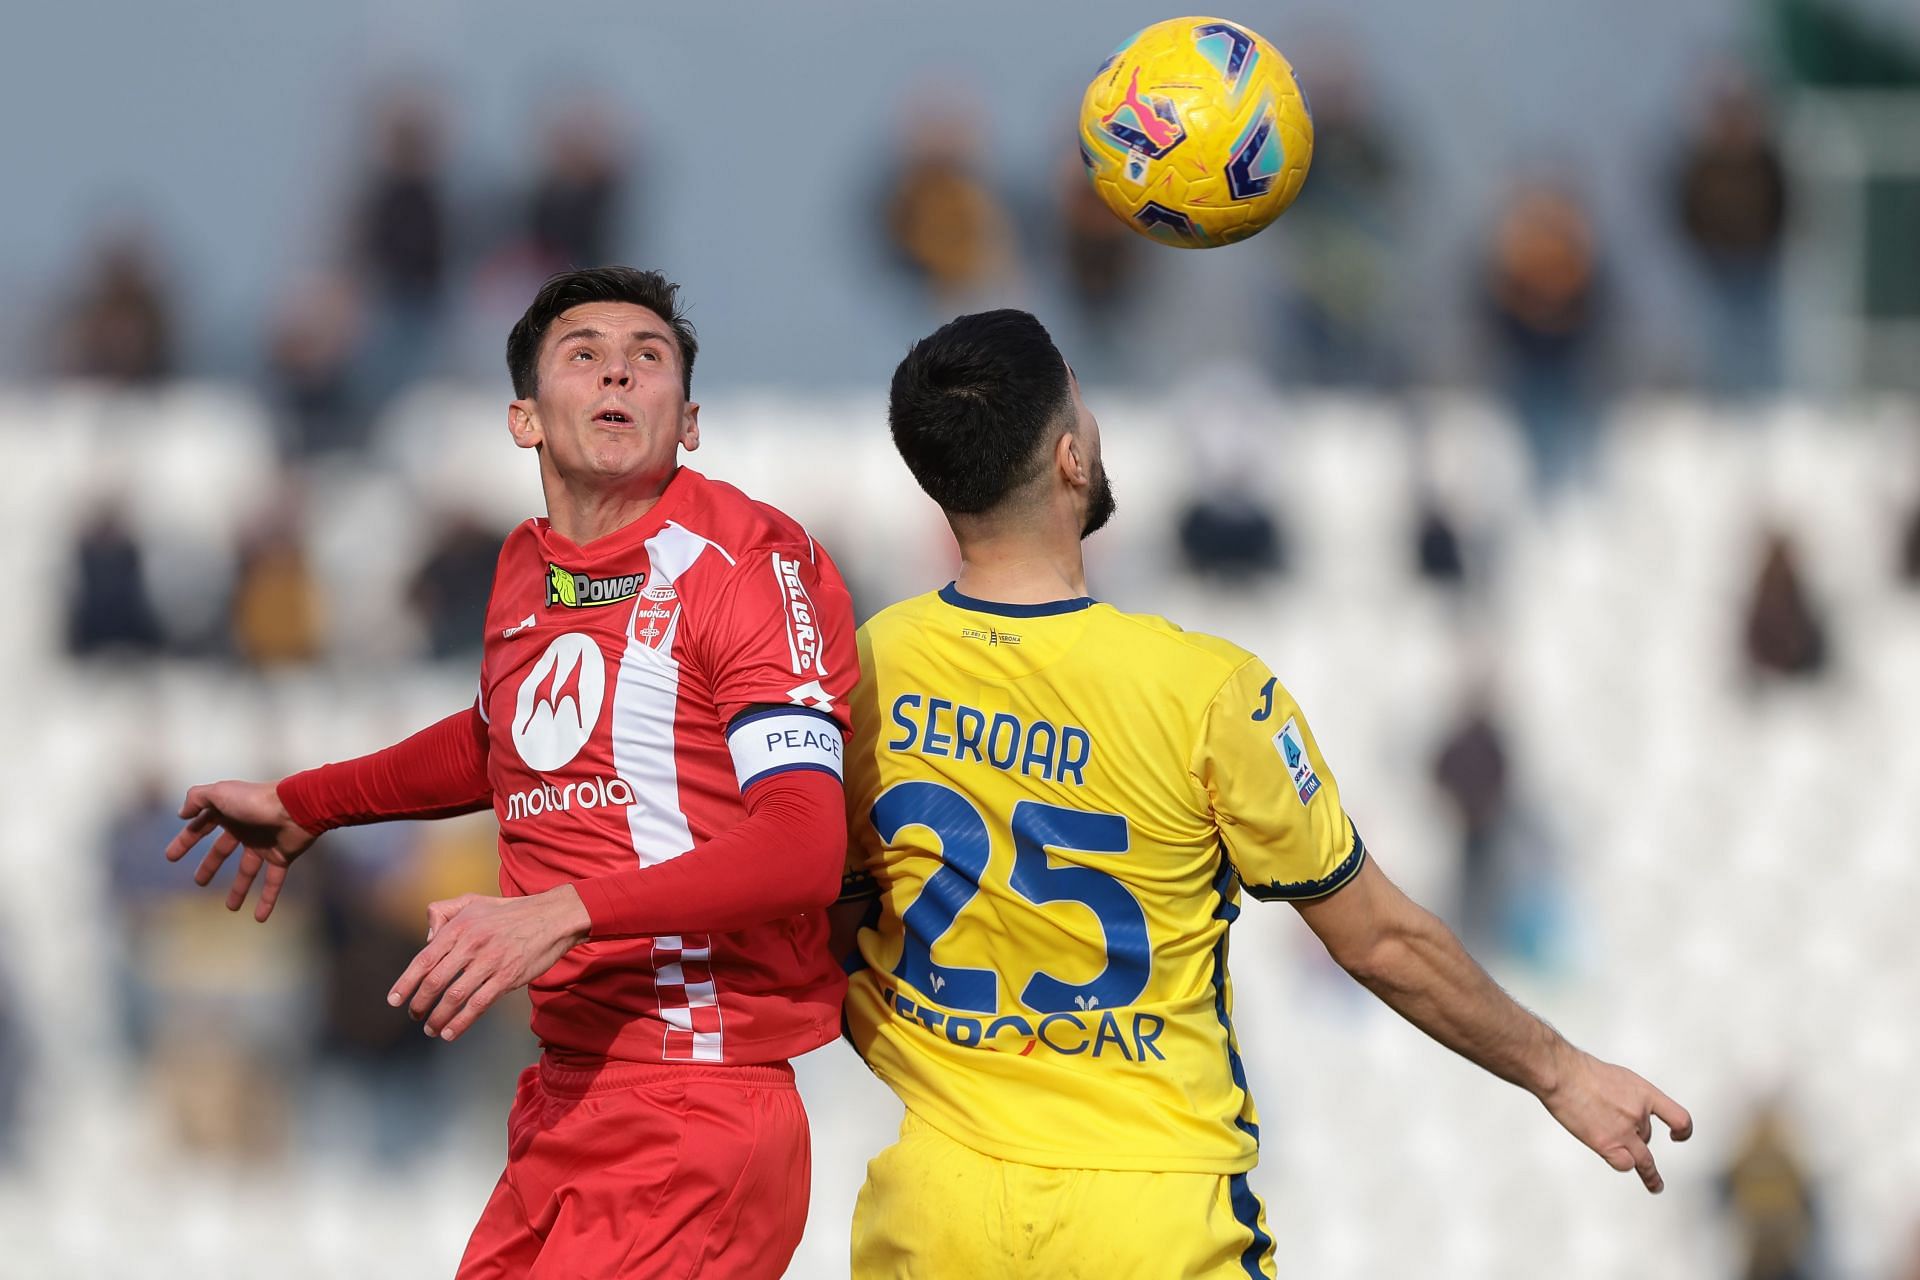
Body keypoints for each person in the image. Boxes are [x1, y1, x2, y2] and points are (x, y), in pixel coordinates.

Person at [833, 309, 1692, 1277]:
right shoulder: (1207, 690)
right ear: (1070, 457)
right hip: (1149, 1211)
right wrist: (1560, 1068)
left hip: (935, 1211)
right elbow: (1377, 937)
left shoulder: (861, 671)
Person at [163, 267, 858, 1278]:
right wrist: (304, 802)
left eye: (648, 357)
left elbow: (804, 840)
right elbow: (504, 737)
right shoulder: (528, 569)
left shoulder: (743, 566)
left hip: (694, 1104)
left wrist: (561, 910)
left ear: (690, 420)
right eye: (586, 354)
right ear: (525, 418)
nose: (619, 370)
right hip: (567, 1101)